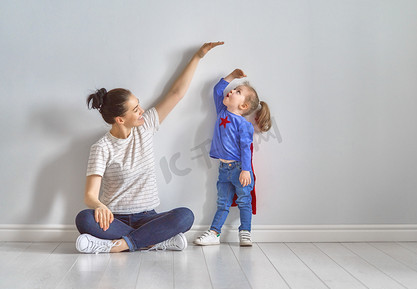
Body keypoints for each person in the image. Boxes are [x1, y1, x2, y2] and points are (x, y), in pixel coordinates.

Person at [75, 42, 224, 254]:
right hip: (114, 218)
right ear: (120, 119)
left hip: (148, 217)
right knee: (84, 219)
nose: (142, 111)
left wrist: (198, 56)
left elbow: (176, 94)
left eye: (139, 104)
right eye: (135, 109)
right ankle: (153, 241)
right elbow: (90, 195)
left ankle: (120, 245)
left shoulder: (145, 126)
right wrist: (99, 206)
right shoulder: (101, 148)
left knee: (185, 216)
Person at [194, 69, 271, 247]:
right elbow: (217, 90)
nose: (231, 91)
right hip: (224, 170)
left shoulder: (244, 125)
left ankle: (245, 232)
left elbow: (246, 149)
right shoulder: (222, 111)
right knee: (222, 203)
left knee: (244, 201)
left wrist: (246, 170)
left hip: (239, 169)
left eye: (238, 92)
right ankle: (214, 233)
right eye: (234, 89)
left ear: (243, 106)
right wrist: (232, 77)